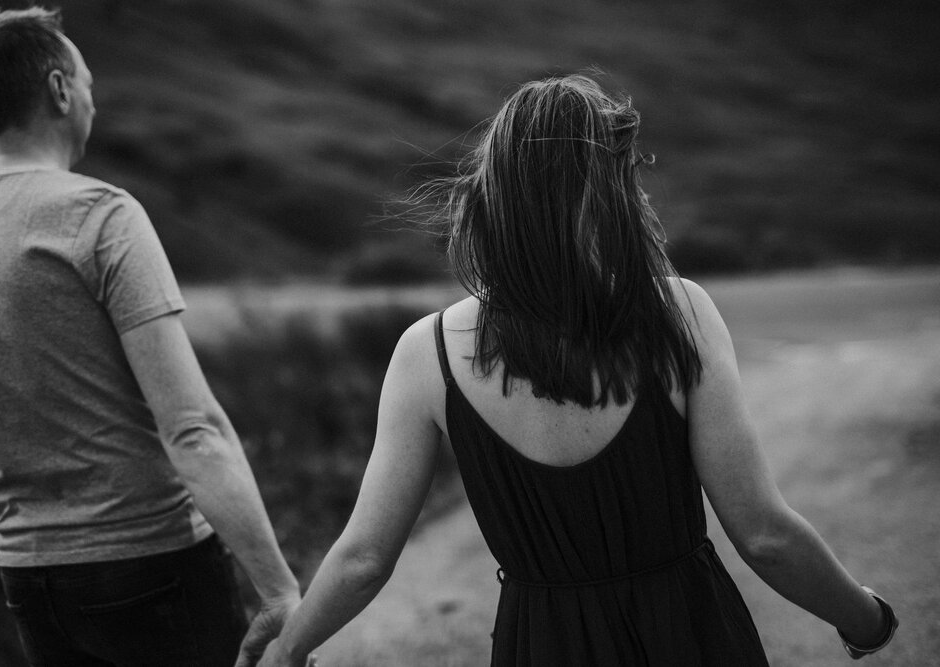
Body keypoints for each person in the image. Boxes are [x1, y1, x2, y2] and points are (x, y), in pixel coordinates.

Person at [235, 75, 899, 666]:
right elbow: (765, 534)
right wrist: (865, 618)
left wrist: (290, 648)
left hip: (541, 644)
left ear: (494, 191)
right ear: (611, 191)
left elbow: (364, 557)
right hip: (692, 634)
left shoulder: (426, 352)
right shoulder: (679, 312)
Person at [0, 8, 299, 666]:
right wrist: (278, 590)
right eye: (89, 84)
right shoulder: (100, 214)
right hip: (152, 563)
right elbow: (194, 429)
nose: (92, 102)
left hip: (30, 579)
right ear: (59, 90)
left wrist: (44, 540)